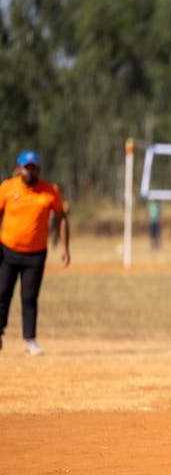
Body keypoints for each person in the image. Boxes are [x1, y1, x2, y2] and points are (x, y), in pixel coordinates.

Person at [0, 150, 71, 355]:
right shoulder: (7, 188)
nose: (30, 171)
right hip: (7, 251)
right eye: (26, 167)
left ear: (38, 169)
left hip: (36, 254)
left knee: (29, 297)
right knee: (2, 293)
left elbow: (61, 219)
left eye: (33, 167)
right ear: (19, 168)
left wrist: (65, 248)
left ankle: (30, 339)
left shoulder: (50, 191)